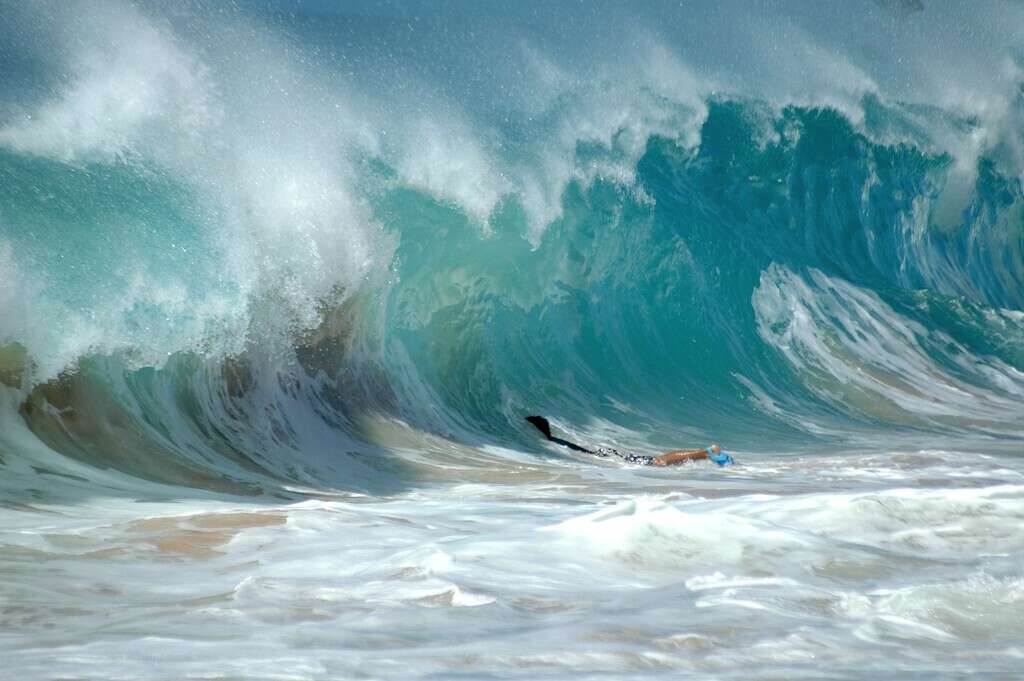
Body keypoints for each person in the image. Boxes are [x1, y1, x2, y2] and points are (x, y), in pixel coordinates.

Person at [525, 415, 735, 466]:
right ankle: (705, 452)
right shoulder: (555, 440)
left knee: (656, 463)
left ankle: (707, 452)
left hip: (606, 456)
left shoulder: (554, 443)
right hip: (606, 455)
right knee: (655, 461)